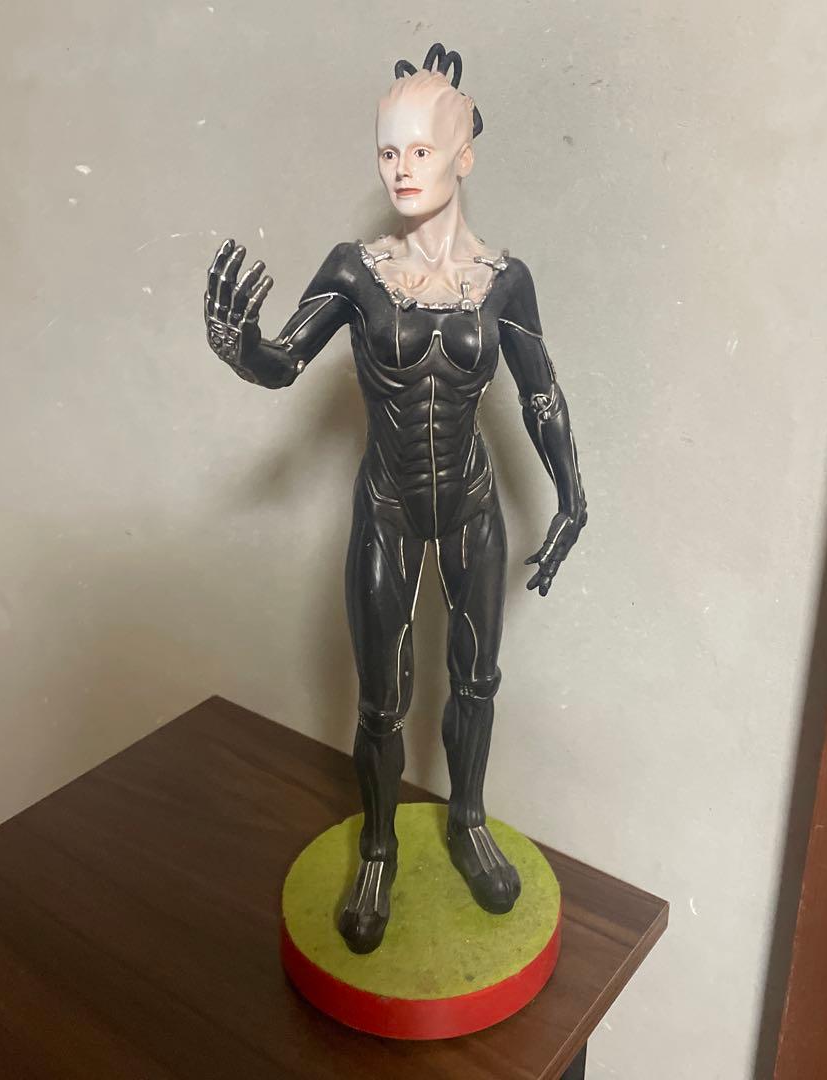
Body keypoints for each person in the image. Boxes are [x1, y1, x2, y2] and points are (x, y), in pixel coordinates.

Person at [203, 44, 587, 954]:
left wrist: (573, 497)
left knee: (477, 679)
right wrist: (239, 345)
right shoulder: (354, 271)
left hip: (472, 506)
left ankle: (468, 820)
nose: (401, 169)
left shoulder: (506, 281)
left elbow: (541, 394)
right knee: (381, 700)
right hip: (387, 505)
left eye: (421, 149)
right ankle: (378, 847)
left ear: (464, 154)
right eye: (387, 151)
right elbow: (283, 361)